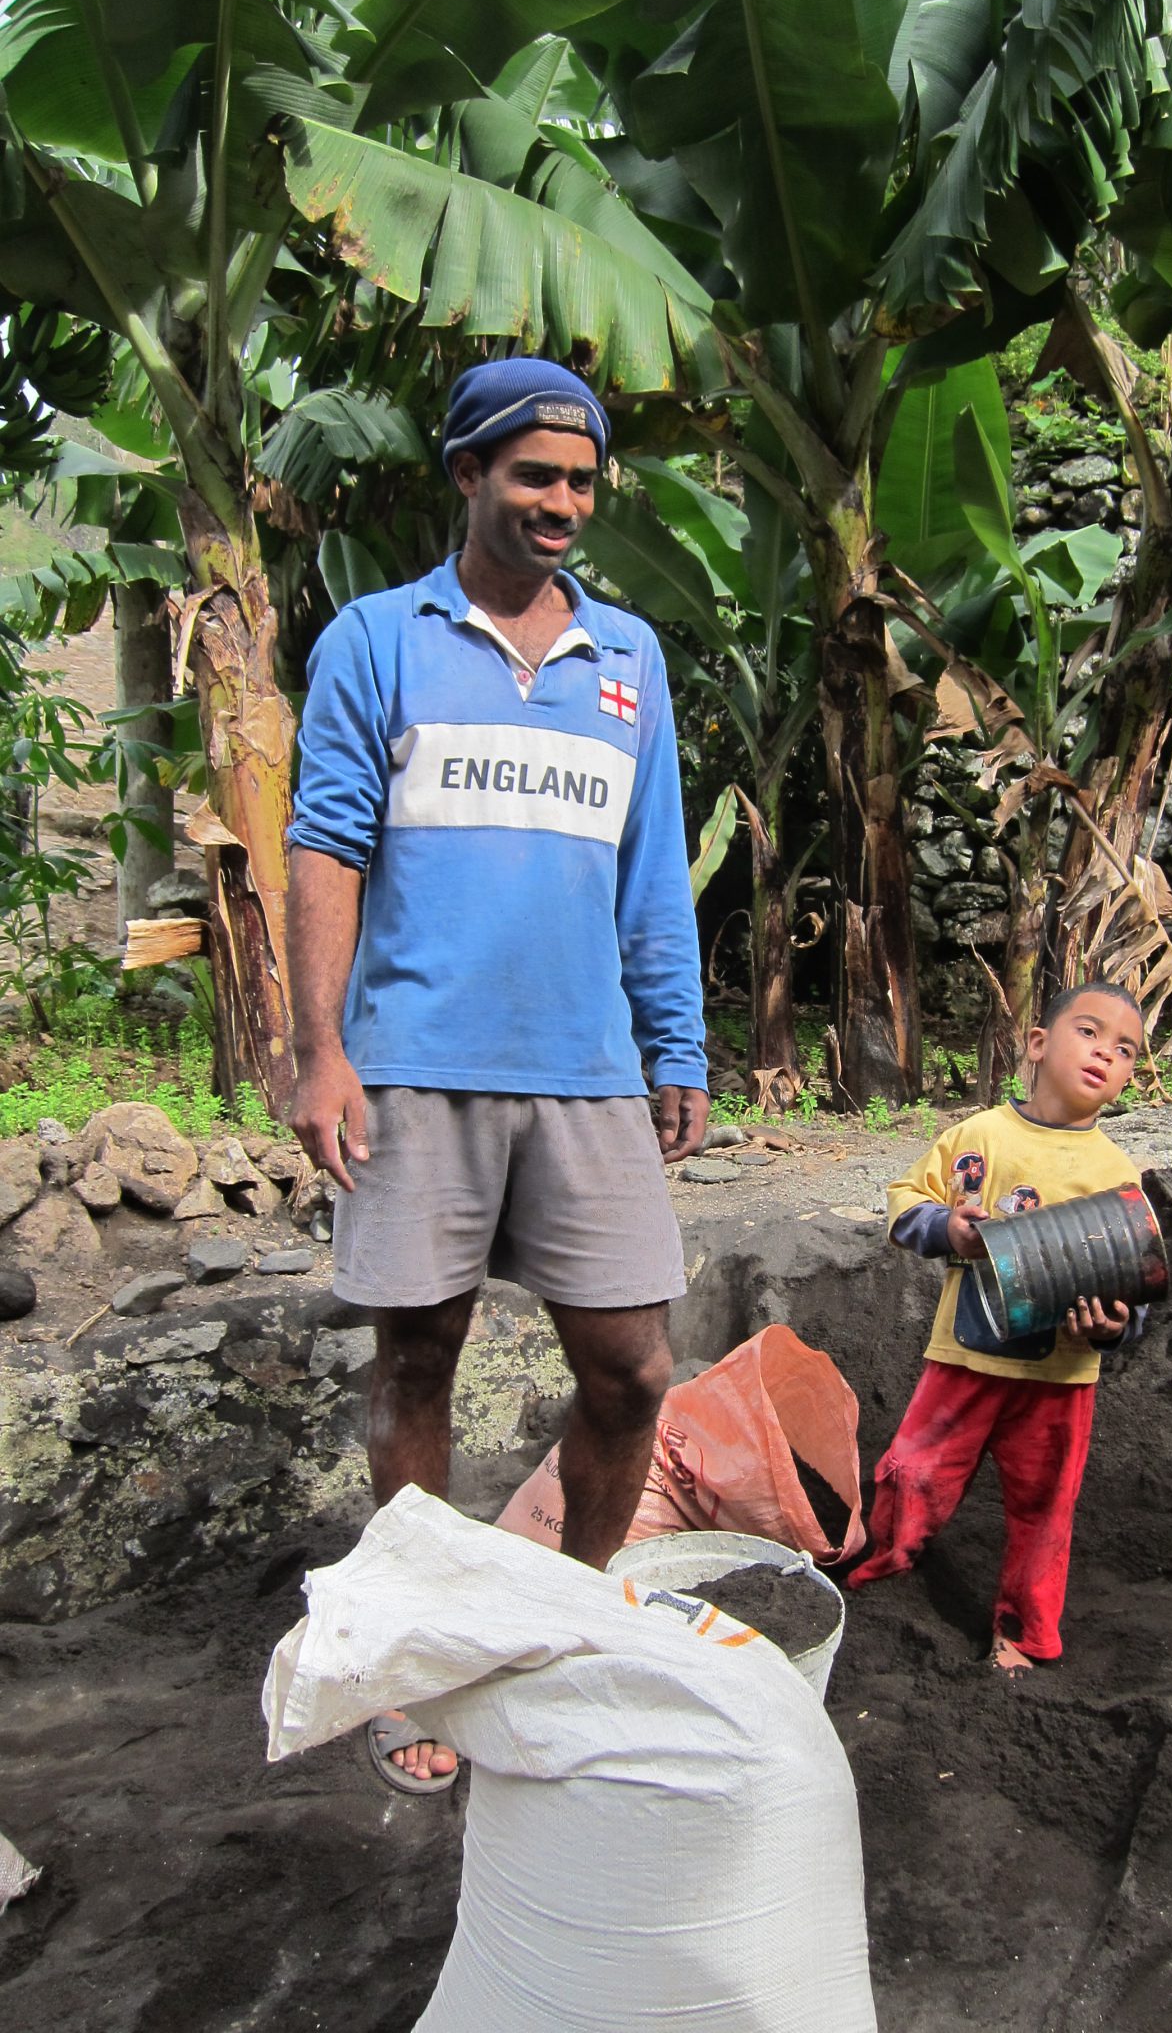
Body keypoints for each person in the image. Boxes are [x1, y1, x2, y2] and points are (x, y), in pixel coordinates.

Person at [286, 356, 710, 1789]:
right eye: (534, 475)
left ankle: (563, 1628)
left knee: (633, 1367)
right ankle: (412, 1666)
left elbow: (651, 867)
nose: (562, 503)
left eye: (581, 481)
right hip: (415, 1070)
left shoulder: (627, 659)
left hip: (586, 1073)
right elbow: (325, 845)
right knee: (417, 1360)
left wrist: (674, 1040)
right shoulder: (377, 640)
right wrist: (322, 1051)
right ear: (467, 474)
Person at [847, 983, 1147, 1672]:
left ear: (1129, 1077)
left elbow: (1135, 1280)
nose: (1105, 1052)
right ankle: (882, 1572)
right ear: (1038, 1044)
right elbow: (905, 1201)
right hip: (966, 1357)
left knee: (1046, 1506)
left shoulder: (1115, 1173)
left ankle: (1025, 1633)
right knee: (915, 1473)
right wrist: (948, 1228)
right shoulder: (979, 1137)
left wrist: (1114, 1326)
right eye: (1089, 1032)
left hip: (1060, 1375)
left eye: (1125, 1049)